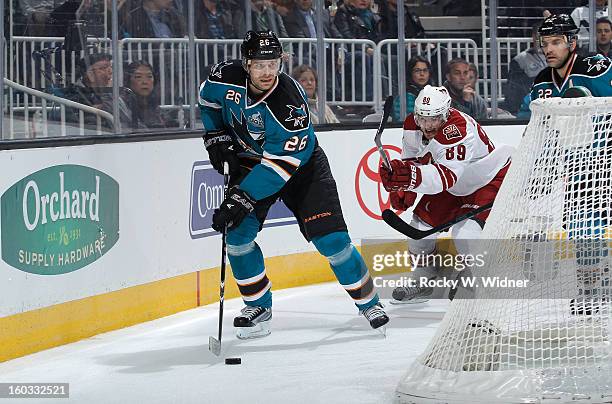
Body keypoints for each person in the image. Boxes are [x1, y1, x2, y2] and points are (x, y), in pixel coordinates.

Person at [198, 31, 389, 338]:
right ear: (245, 63)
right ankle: (259, 306)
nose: (267, 72)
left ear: (281, 62)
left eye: (273, 64)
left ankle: (369, 303)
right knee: (236, 238)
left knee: (332, 241)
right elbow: (207, 102)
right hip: (251, 161)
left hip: (301, 166)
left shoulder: (289, 105)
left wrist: (241, 198)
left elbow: (281, 167)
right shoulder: (223, 76)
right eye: (259, 64)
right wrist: (215, 135)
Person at [378, 85, 511, 303]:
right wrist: (404, 185)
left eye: (434, 119)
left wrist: (411, 178)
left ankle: (477, 280)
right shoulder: (413, 123)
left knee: (465, 234)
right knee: (418, 230)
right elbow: (412, 157)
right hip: (454, 184)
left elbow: (446, 176)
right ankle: (425, 278)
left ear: (446, 113)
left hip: (486, 179)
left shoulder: (457, 128)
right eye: (423, 119)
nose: (427, 126)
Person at [530, 14, 612, 315]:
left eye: (556, 42)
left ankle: (595, 284)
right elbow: (542, 128)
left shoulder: (596, 68)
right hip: (577, 167)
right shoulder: (541, 82)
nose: (549, 49)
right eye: (545, 43)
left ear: (572, 42)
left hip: (607, 158)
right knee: (582, 227)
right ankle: (591, 286)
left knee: (589, 224)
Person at [504, 22, 547, 114]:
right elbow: (514, 93)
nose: (542, 40)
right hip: (530, 109)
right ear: (533, 36)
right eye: (539, 36)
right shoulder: (520, 60)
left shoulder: (559, 59)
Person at [125, 60, 176, 128]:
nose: (145, 82)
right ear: (129, 81)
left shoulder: (153, 105)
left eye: (149, 76)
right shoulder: (124, 106)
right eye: (138, 77)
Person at [391, 56, 432, 123]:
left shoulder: (433, 93)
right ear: (410, 73)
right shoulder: (404, 97)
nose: (422, 74)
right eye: (417, 70)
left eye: (425, 70)